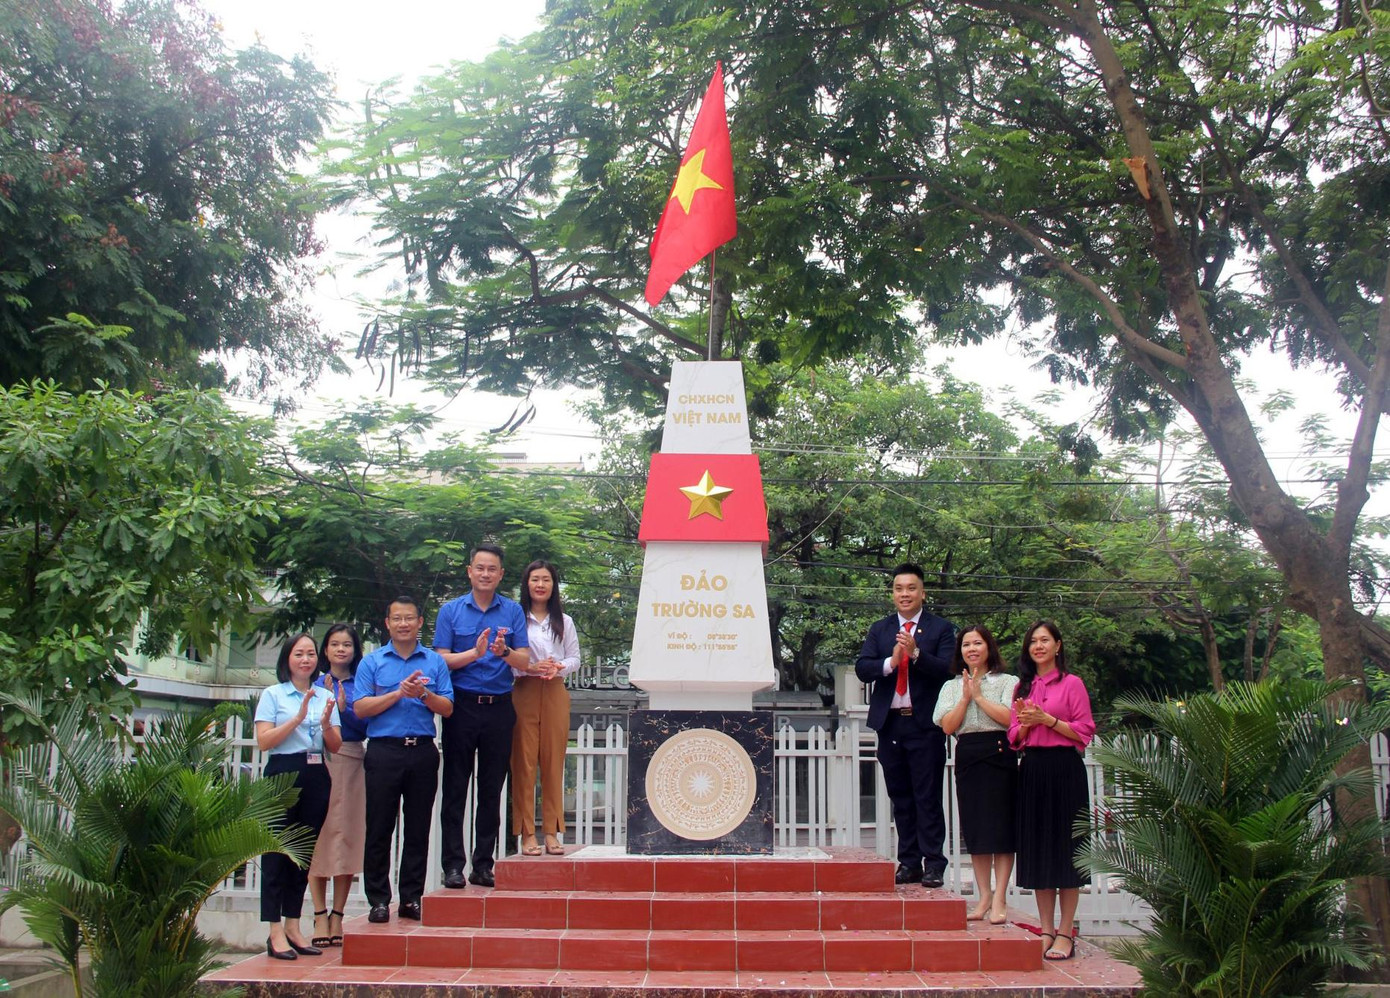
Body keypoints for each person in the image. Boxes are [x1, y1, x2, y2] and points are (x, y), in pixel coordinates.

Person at [433, 543, 531, 888]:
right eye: (480, 568)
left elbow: (525, 661)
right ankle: (453, 866)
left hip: (500, 707)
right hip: (461, 706)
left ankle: (483, 864)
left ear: (501, 574)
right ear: (469, 571)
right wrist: (473, 654)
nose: (486, 574)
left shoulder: (513, 611)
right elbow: (440, 659)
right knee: (456, 788)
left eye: (492, 569)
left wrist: (502, 651)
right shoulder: (451, 611)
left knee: (491, 791)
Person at [352, 596, 454, 923]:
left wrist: (423, 694)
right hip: (384, 750)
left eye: (409, 618)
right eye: (397, 618)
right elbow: (360, 708)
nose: (403, 624)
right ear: (388, 623)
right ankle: (379, 900)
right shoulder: (372, 662)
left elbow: (448, 708)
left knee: (417, 828)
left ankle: (411, 898)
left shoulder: (435, 662)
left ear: (420, 622)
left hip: (422, 750)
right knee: (380, 827)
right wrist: (398, 693)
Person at [855, 562, 956, 887]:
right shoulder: (880, 629)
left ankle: (934, 863)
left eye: (911, 588)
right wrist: (891, 662)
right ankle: (909, 862)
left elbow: (948, 670)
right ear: (893, 594)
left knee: (927, 796)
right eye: (899, 589)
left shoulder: (940, 629)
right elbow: (863, 667)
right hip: (891, 725)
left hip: (924, 725)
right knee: (900, 797)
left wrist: (915, 655)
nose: (905, 594)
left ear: (922, 592)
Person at [1008, 619, 1096, 961]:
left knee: (1067, 851)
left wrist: (1050, 721)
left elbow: (1084, 730)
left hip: (1065, 770)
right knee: (1040, 849)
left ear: (1058, 645)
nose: (1038, 646)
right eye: (1033, 641)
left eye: (1045, 640)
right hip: (1032, 769)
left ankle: (1066, 931)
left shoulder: (1072, 684)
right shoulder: (1023, 688)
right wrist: (1027, 727)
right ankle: (1045, 929)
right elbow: (1013, 736)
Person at [255, 632, 342, 960]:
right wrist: (297, 717)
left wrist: (324, 724)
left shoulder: (325, 695)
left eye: (309, 654)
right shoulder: (273, 694)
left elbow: (335, 745)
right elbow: (265, 742)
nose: (305, 659)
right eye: (298, 654)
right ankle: (274, 929)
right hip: (282, 772)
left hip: (317, 773)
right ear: (287, 659)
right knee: (276, 853)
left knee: (302, 856)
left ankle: (294, 924)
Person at [932, 625, 1018, 923]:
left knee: (1002, 829)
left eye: (977, 643)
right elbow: (947, 725)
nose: (972, 649)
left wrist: (980, 697)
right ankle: (983, 897)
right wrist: (966, 698)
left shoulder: (1009, 681)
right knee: (977, 829)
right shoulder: (950, 687)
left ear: (989, 647)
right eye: (966, 644)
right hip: (968, 753)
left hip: (999, 751)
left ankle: (1001, 898)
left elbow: (1011, 718)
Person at [510, 560, 581, 856]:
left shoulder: (564, 621)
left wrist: (558, 667)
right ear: (526, 584)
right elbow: (507, 658)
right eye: (535, 579)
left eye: (546, 580)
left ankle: (552, 831)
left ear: (554, 586)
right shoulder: (516, 619)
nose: (540, 585)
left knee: (553, 761)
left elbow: (575, 657)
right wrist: (529, 667)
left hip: (554, 690)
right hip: (523, 689)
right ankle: (527, 833)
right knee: (524, 763)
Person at [307, 624, 366, 948]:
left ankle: (338, 915)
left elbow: (369, 723)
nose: (341, 649)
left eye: (346, 644)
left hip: (352, 758)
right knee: (318, 834)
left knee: (346, 836)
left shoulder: (362, 682)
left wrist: (346, 709)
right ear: (325, 650)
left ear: (355, 650)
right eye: (334, 644)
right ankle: (318, 912)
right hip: (318, 760)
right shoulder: (313, 683)